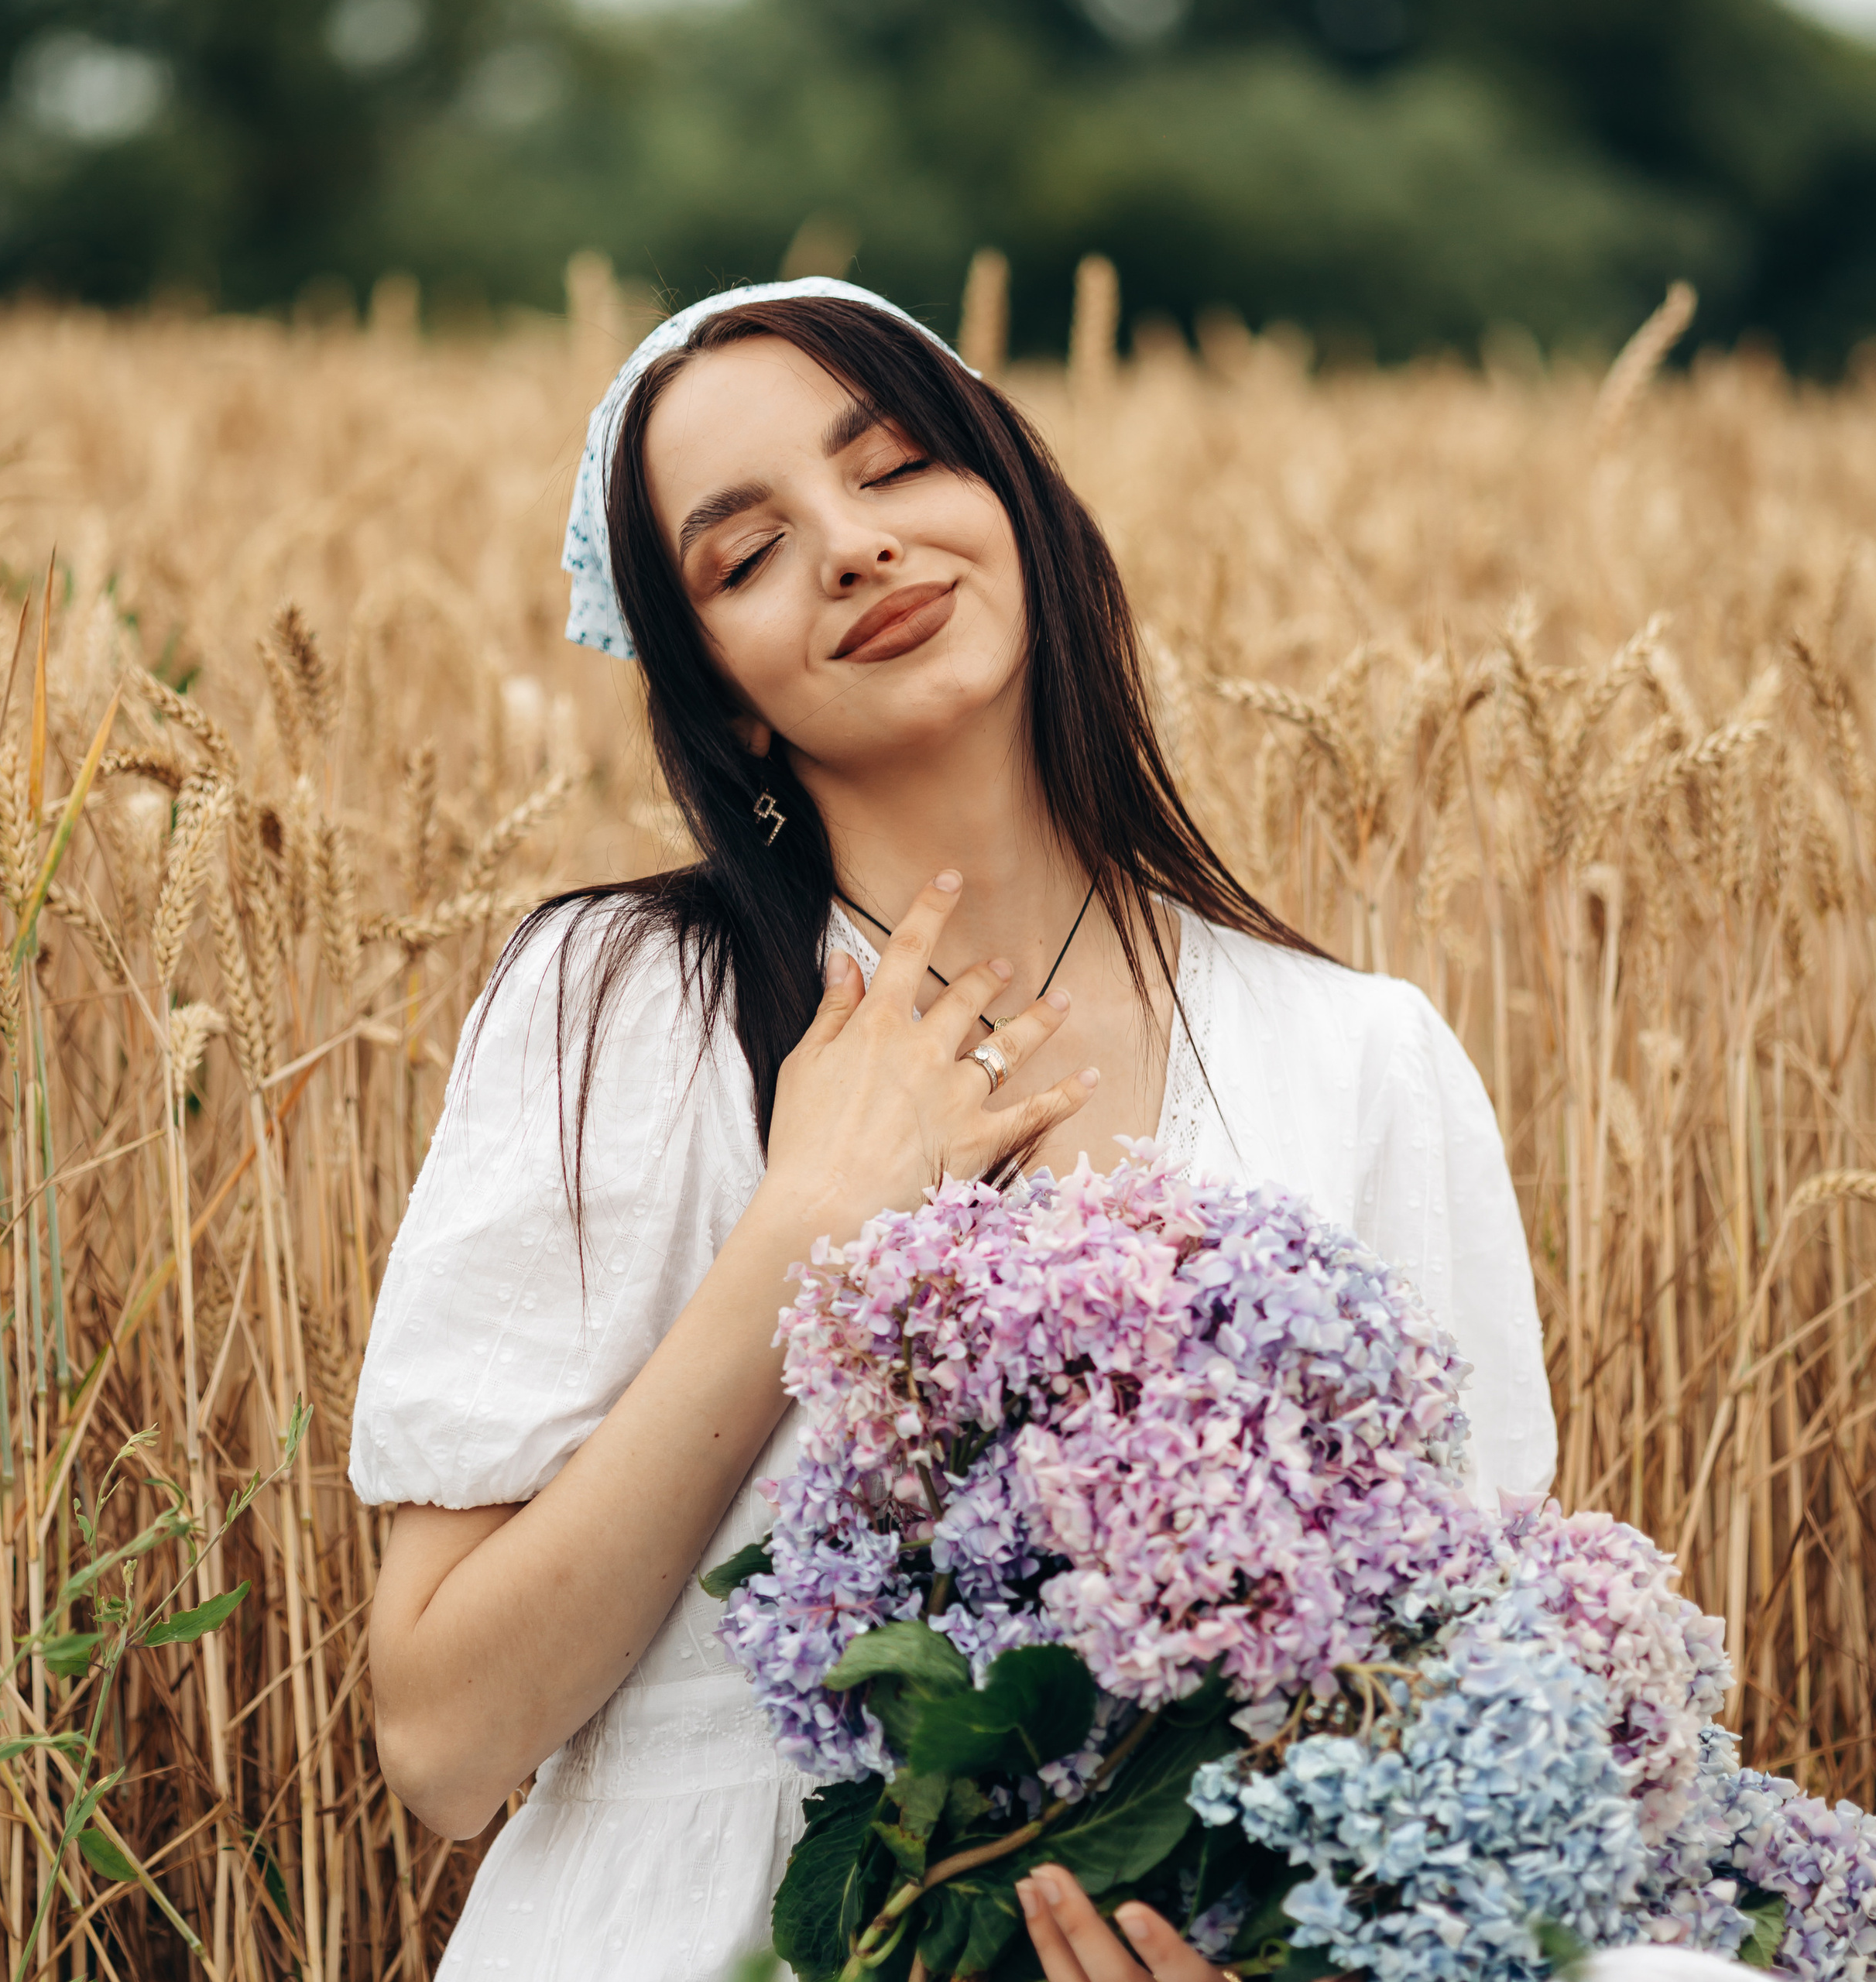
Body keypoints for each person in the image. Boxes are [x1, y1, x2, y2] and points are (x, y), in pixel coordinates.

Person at [351, 278, 1563, 1981]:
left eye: (895, 465)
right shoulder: (623, 1002)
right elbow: (443, 1742)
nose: (850, 547)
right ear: (727, 700)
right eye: (742, 553)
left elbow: (1459, 1676)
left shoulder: (1363, 1057)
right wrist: (805, 1227)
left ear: (1017, 505)